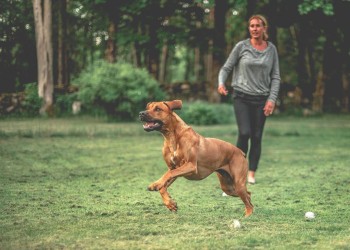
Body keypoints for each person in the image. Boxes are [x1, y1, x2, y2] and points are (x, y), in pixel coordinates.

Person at [217, 14, 280, 184]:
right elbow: (226, 68)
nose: (255, 29)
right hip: (241, 97)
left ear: (264, 28)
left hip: (261, 99)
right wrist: (221, 83)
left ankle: (251, 174)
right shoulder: (241, 46)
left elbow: (275, 77)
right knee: (244, 133)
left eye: (258, 26)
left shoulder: (271, 49)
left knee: (257, 136)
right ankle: (237, 172)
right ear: (249, 28)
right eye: (252, 26)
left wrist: (271, 100)